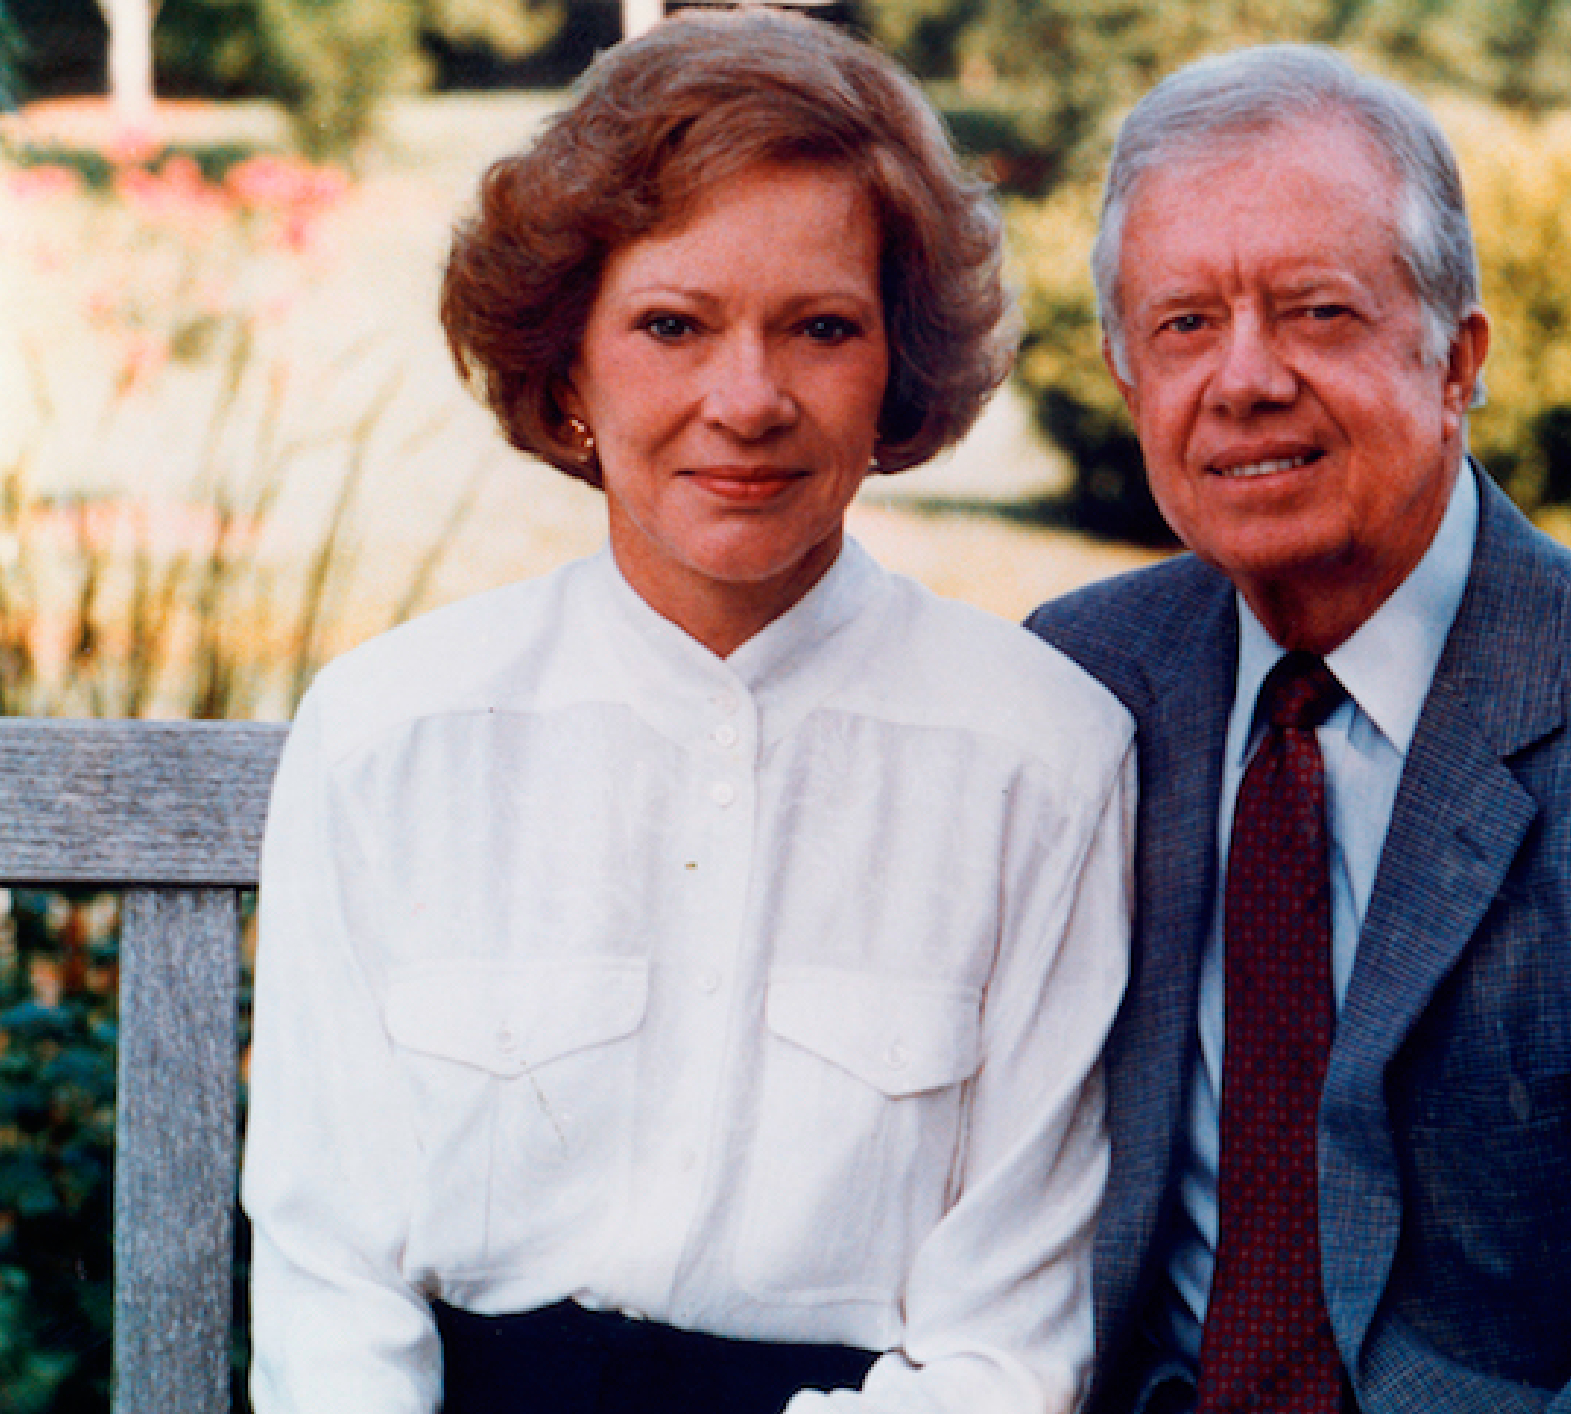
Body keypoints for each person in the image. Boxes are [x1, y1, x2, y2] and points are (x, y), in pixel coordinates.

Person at [241, 13, 1134, 1414]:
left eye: (822, 329)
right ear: (567, 369)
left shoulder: (1041, 760)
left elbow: (1006, 1345)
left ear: (898, 370)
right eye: (672, 325)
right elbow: (330, 1285)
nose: (747, 400)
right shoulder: (390, 736)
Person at [1028, 43, 1571, 1414]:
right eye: (1184, 325)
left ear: (1456, 359)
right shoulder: (1080, 685)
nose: (1243, 377)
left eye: (1317, 312)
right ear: (1125, 375)